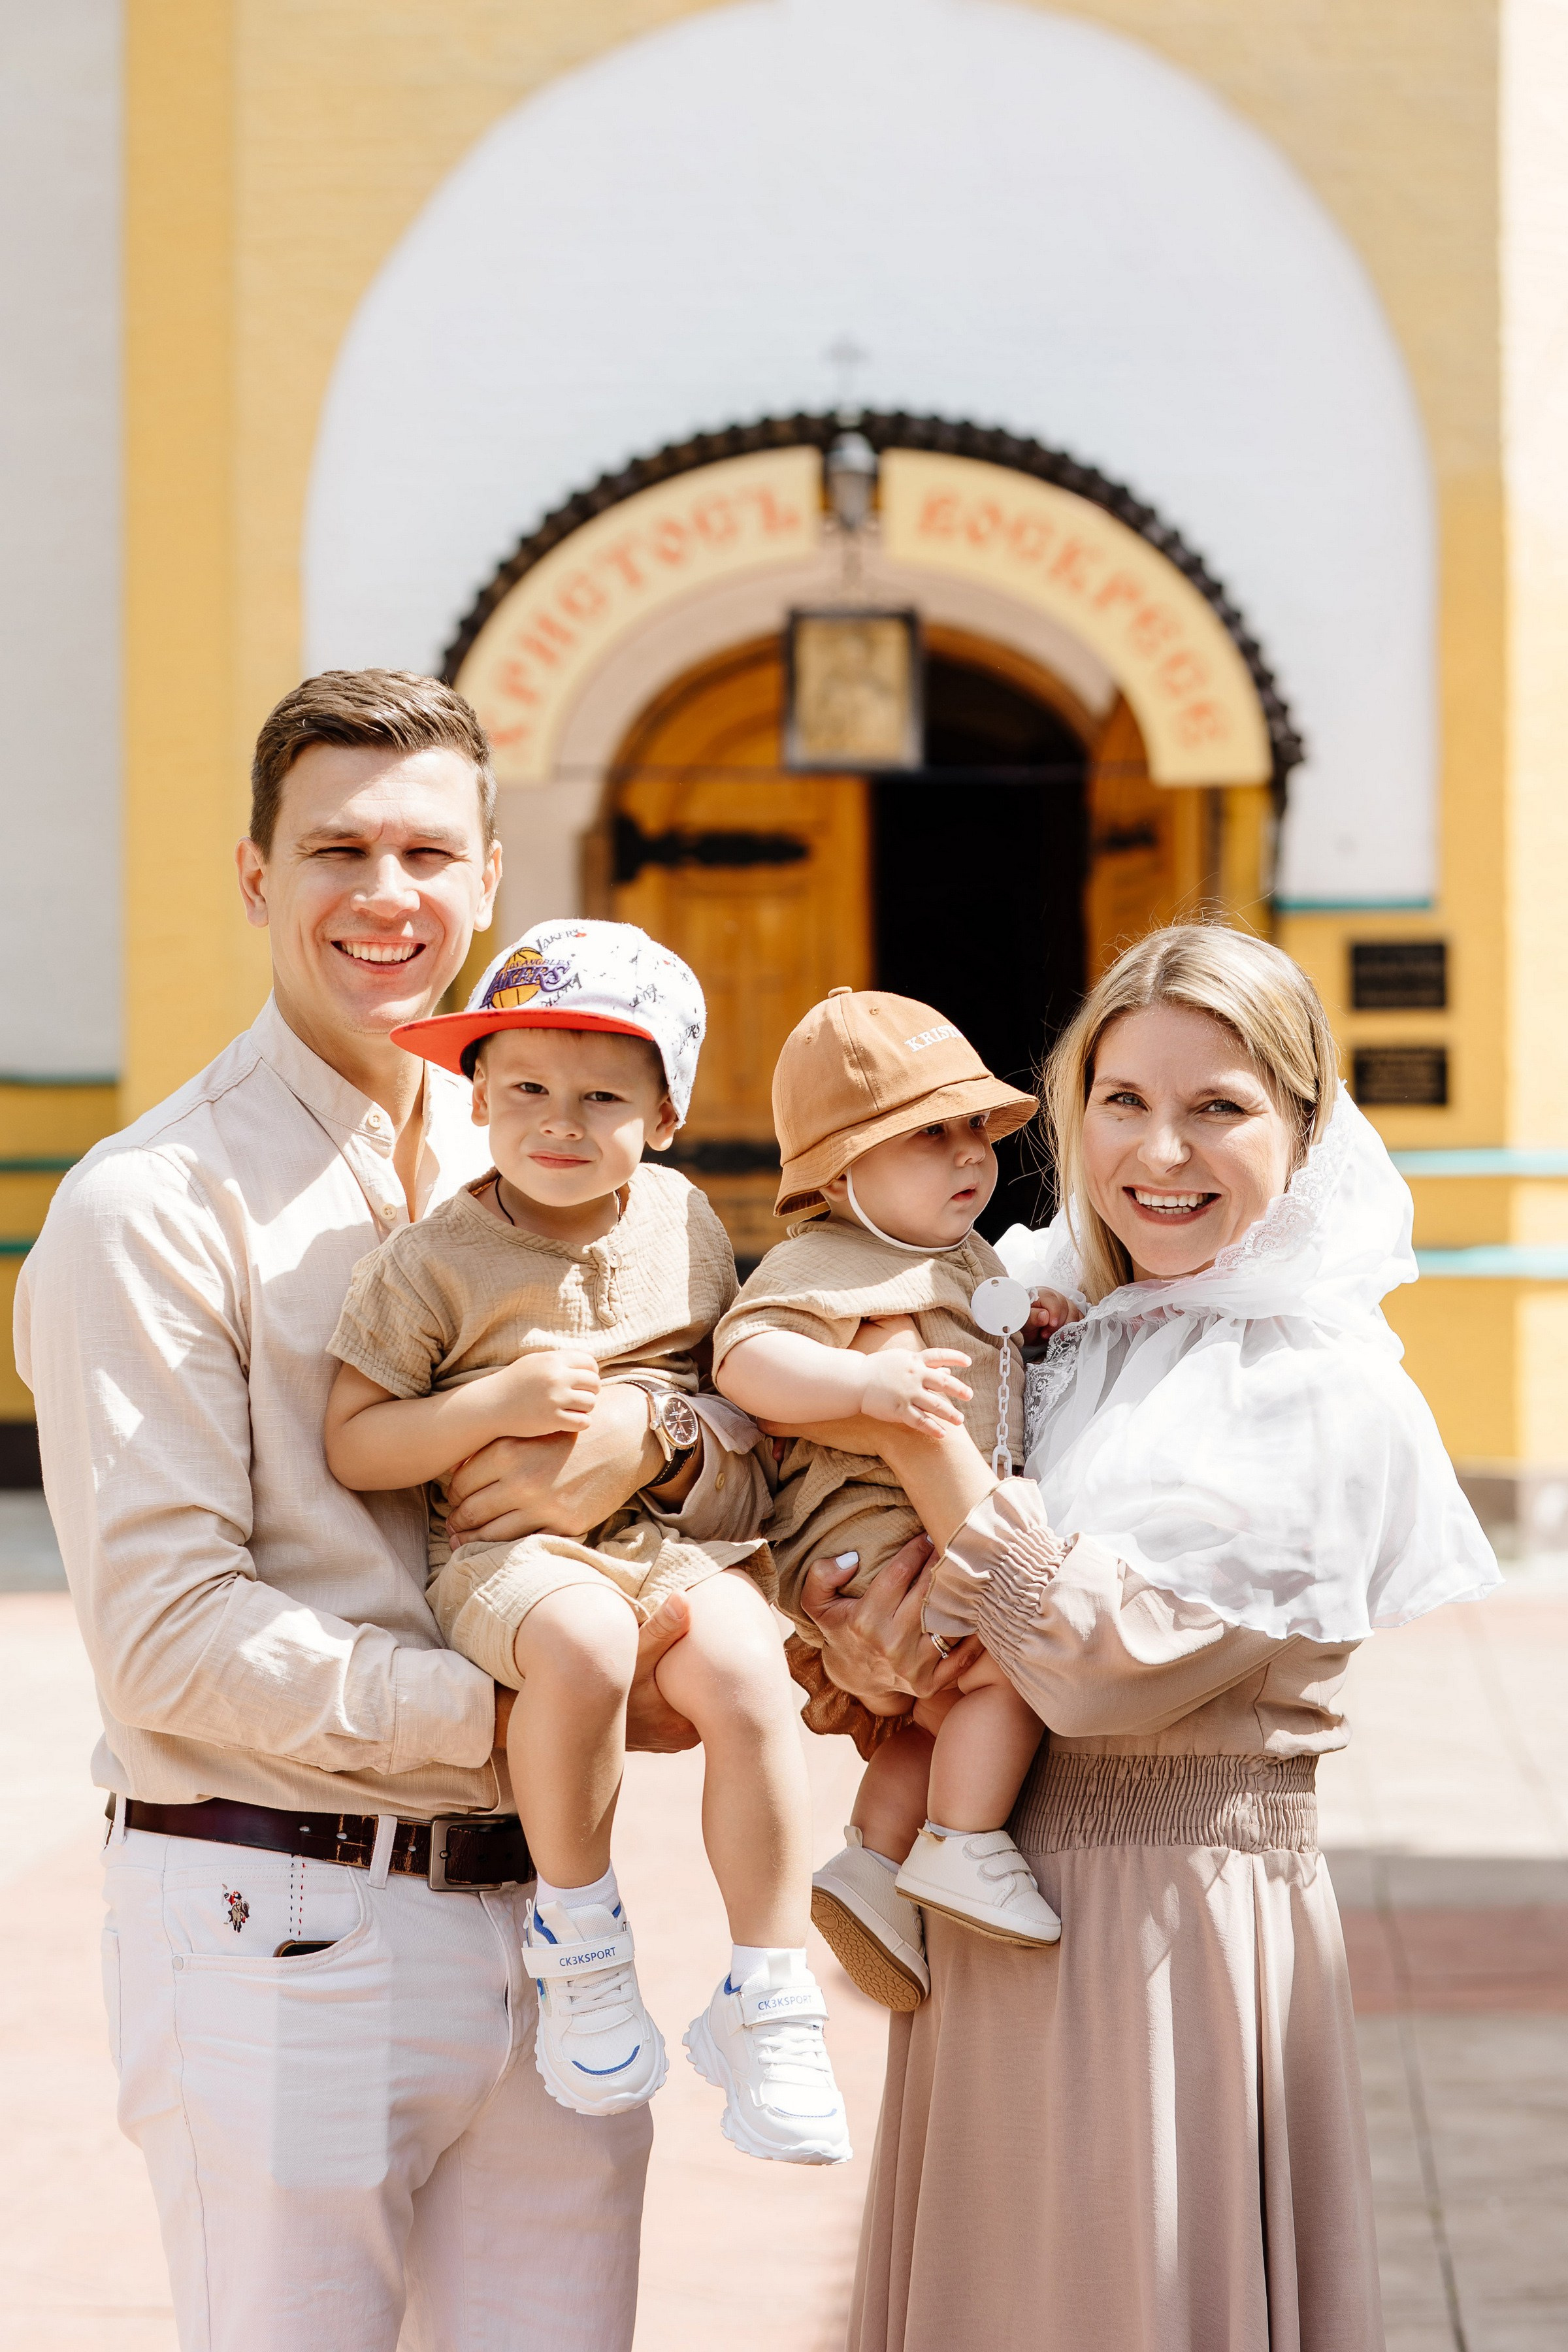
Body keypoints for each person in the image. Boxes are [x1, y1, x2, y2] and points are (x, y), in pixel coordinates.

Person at [14, 672, 746, 2352]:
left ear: (491, 878)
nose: (387, 894)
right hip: (286, 1932)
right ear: (259, 876)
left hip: (557, 1925)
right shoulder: (154, 1204)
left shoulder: (580, 1158)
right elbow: (168, 1644)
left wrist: (659, 1430)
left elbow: (723, 1454)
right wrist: (534, 1711)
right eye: (336, 848)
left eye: (429, 849)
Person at [779, 924, 1500, 2352]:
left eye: (1218, 1106)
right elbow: (935, 1625)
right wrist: (859, 1627)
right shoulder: (1058, 1327)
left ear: (1303, 1127)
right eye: (1122, 1101)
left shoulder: (1319, 1383)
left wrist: (921, 1460)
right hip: (989, 1908)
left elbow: (1103, 1669)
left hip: (1170, 1919)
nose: (1159, 1150)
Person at [324, 917, 850, 2161]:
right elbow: (355, 1442)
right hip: (511, 1558)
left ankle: (767, 1991)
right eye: (525, 1090)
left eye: (602, 1096)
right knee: (584, 1647)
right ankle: (584, 1937)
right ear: (477, 1094)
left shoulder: (683, 1222)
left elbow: (735, 1398)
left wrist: (661, 1430)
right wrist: (489, 1408)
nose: (558, 1122)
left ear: (665, 1116)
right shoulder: (431, 1264)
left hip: (669, 1535)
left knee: (748, 1673)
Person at [713, 987, 1067, 2012]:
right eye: (929, 1136)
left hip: (911, 1547)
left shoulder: (954, 1253)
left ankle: (872, 1862)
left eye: (975, 1131)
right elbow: (747, 1360)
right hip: (875, 1543)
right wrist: (865, 1388)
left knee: (926, 1717)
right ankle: (963, 1842)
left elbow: (982, 1312)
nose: (969, 1156)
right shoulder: (823, 1263)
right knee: (1006, 1671)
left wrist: (1029, 1316)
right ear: (837, 1168)